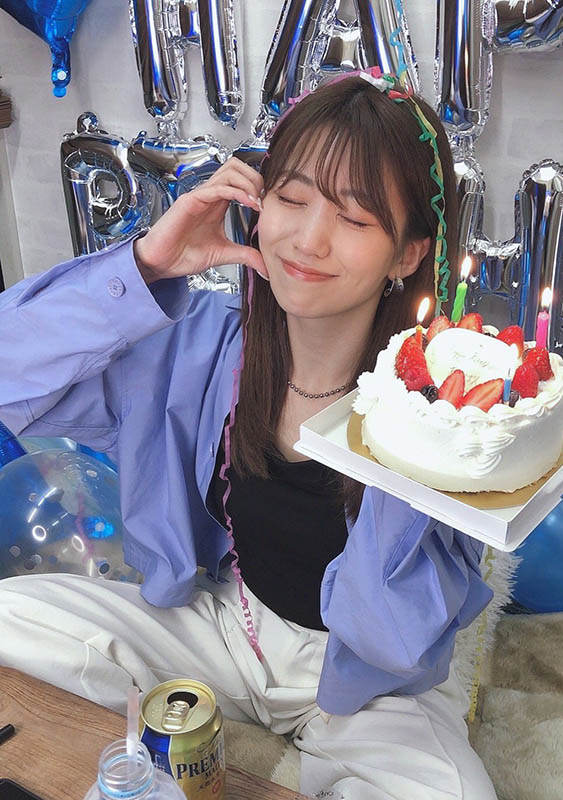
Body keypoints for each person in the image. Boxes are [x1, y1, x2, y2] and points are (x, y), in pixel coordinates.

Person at [0, 71, 497, 799]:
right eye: (291, 199)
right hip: (229, 628)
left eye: (355, 218)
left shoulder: (445, 414)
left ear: (407, 253)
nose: (309, 239)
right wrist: (147, 265)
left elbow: (397, 631)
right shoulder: (202, 346)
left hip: (370, 685)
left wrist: (424, 444)